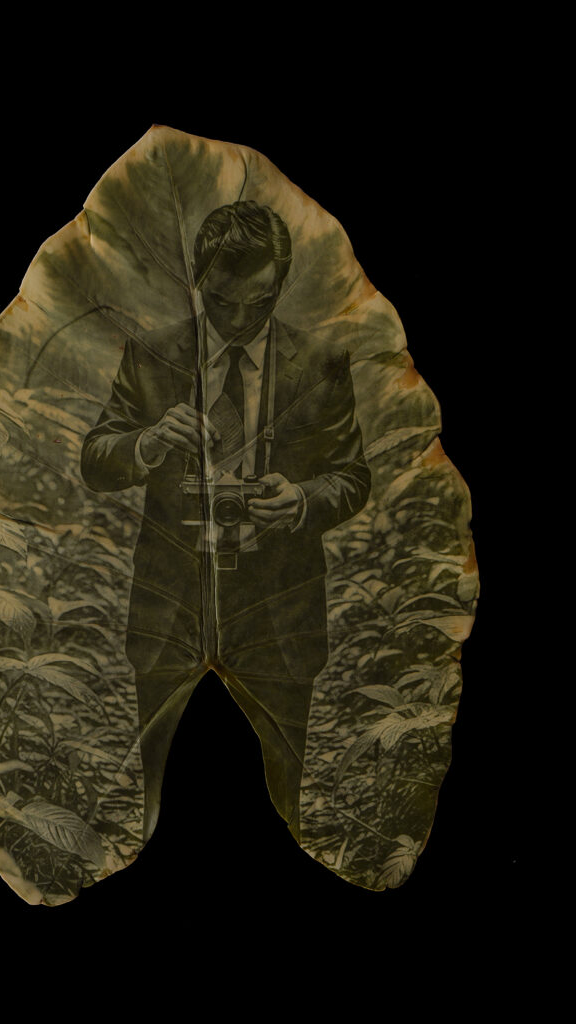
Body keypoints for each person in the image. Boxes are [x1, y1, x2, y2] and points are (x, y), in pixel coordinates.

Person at [80, 201, 371, 842]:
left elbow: (353, 477)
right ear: (197, 281)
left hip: (280, 607)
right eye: (219, 302)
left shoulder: (322, 362)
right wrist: (149, 442)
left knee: (285, 797)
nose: (238, 320)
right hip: (170, 604)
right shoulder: (152, 354)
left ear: (281, 285)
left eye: (258, 304)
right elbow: (96, 460)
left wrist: (301, 500)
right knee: (155, 791)